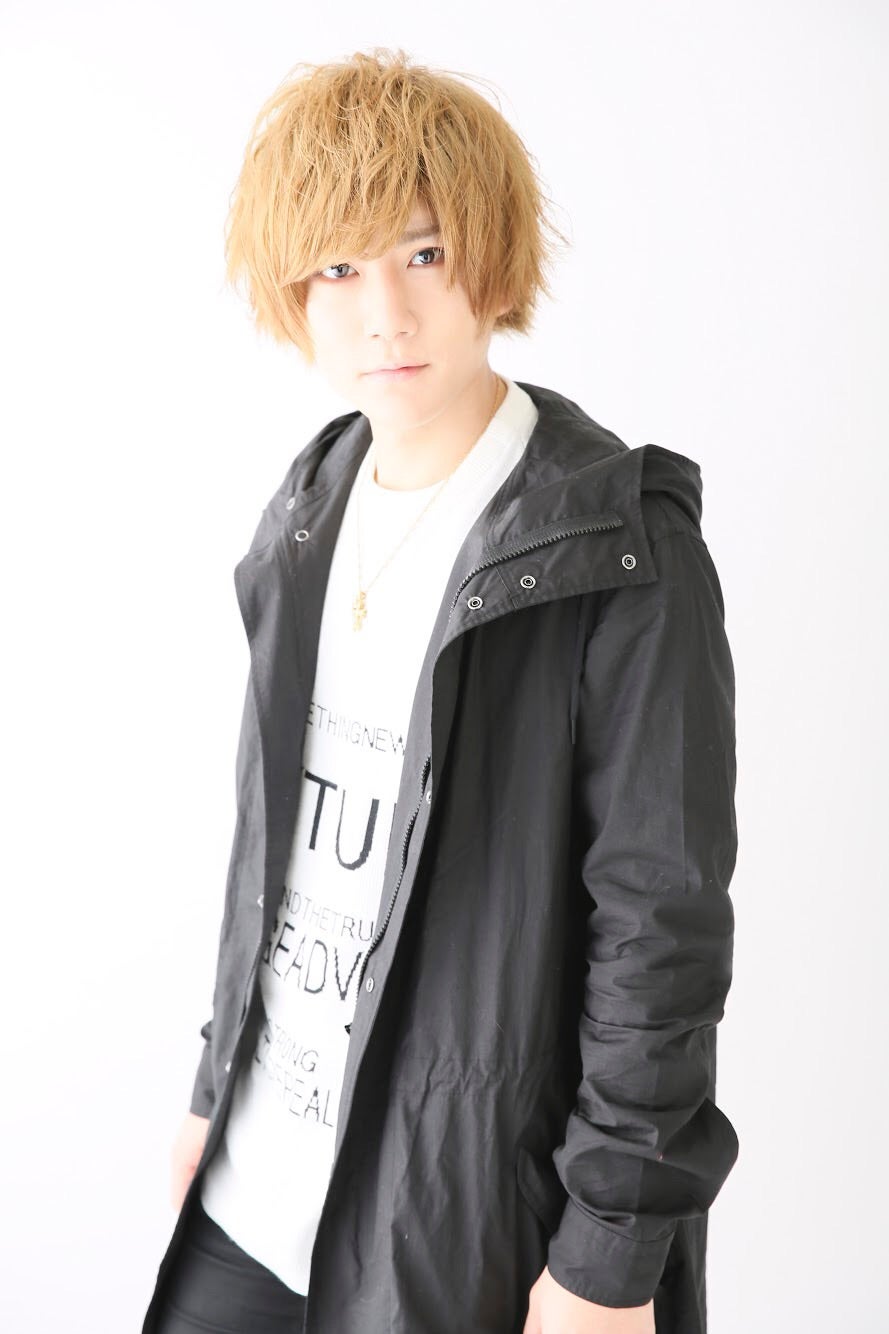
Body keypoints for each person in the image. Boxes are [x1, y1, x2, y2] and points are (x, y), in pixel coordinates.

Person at [142, 46, 739, 1334]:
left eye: (424, 253)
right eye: (338, 268)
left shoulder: (618, 546)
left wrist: (609, 1255)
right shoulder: (309, 504)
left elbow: (661, 927)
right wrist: (211, 1087)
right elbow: (274, 847)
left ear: (494, 255)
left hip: (445, 1220)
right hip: (249, 1199)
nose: (386, 315)